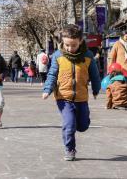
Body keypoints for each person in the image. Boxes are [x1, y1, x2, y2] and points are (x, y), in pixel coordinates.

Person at [42, 24, 101, 161]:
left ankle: (82, 121)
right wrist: (47, 89)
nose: (70, 48)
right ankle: (70, 149)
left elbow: (95, 74)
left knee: (83, 126)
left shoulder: (88, 56)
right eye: (67, 45)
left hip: (81, 97)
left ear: (80, 41)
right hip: (63, 97)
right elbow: (52, 74)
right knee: (69, 125)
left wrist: (96, 89)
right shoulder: (58, 56)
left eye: (73, 45)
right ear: (63, 41)